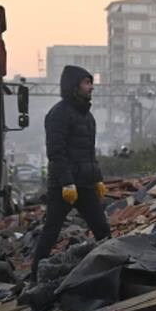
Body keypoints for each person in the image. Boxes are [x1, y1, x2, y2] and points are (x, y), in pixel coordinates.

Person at [31, 65, 110, 281]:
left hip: (84, 185)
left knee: (103, 230)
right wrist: (66, 183)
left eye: (90, 82)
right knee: (50, 232)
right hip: (63, 187)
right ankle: (34, 277)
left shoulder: (87, 116)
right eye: (86, 83)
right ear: (74, 86)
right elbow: (56, 153)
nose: (91, 87)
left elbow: (89, 152)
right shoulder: (58, 114)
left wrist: (98, 178)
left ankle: (106, 274)